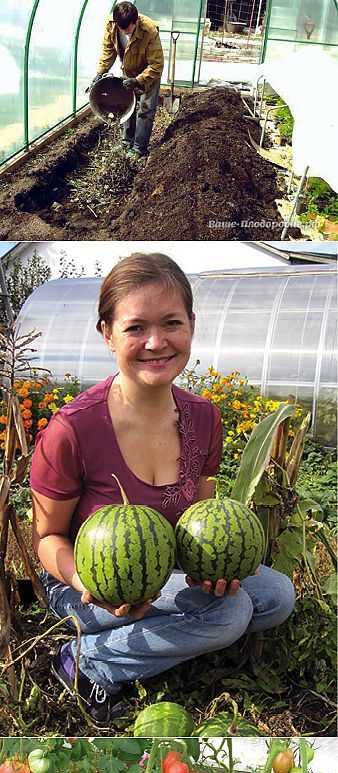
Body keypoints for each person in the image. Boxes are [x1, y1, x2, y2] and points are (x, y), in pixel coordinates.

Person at [30, 252, 295, 727]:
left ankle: (181, 628)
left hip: (169, 565)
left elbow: (200, 514)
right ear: (107, 334)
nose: (156, 342)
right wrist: (87, 581)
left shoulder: (204, 417)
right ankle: (83, 661)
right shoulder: (71, 429)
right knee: (230, 615)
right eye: (135, 328)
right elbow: (48, 540)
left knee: (276, 595)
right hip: (83, 586)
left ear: (192, 325)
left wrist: (211, 569)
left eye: (171, 323)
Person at [91, 1, 164, 161]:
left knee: (145, 109)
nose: (125, 33)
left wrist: (138, 80)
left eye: (129, 30)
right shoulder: (111, 25)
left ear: (136, 20)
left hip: (148, 74)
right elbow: (108, 50)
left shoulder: (149, 30)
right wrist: (100, 72)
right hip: (128, 70)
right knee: (126, 106)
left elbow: (156, 64)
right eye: (122, 29)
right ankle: (126, 142)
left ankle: (139, 148)